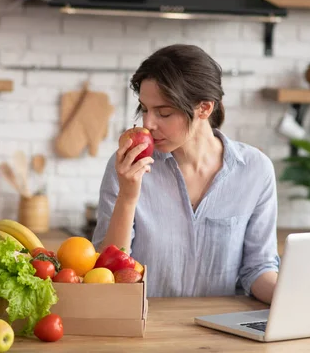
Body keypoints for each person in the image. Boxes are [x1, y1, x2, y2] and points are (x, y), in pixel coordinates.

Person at [91, 44, 279, 304]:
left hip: (224, 332)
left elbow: (258, 268)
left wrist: (292, 298)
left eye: (164, 112)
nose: (148, 124)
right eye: (144, 109)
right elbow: (108, 273)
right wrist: (128, 195)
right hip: (147, 327)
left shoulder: (255, 170)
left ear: (204, 108)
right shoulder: (128, 165)